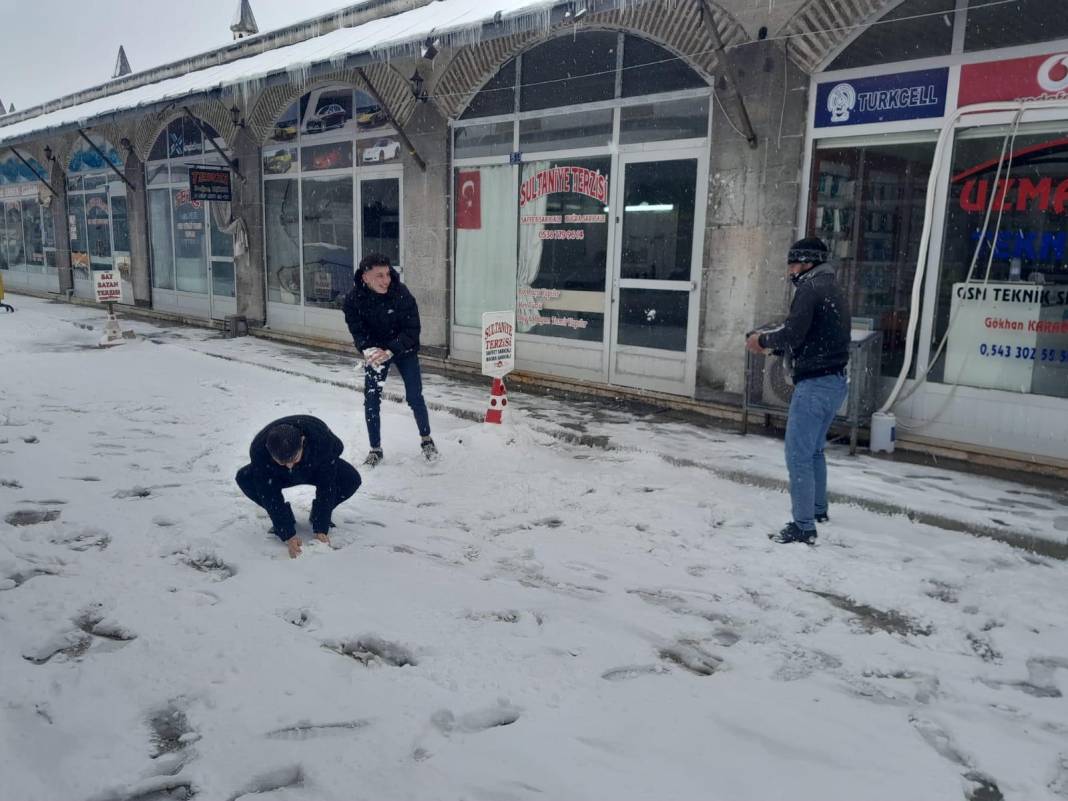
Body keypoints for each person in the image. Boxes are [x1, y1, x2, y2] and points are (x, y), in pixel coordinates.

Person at [745, 237, 850, 545]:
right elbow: (814, 337)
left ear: (806, 262)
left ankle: (803, 527)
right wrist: (776, 348)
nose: (790, 270)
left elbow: (793, 332)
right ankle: (817, 510)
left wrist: (762, 341)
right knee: (814, 449)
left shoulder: (810, 289)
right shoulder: (832, 287)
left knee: (798, 455)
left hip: (814, 385)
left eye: (793, 264)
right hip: (834, 382)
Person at [342, 252, 437, 465]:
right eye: (379, 276)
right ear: (365, 277)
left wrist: (391, 350)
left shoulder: (401, 293)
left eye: (387, 274)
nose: (386, 280)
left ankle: (427, 440)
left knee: (414, 396)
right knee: (371, 398)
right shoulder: (353, 300)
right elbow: (357, 330)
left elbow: (412, 329)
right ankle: (375, 449)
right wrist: (367, 349)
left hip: (404, 350)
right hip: (376, 352)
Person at [235, 415, 361, 558]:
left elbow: (327, 486)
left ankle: (316, 515)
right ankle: (286, 517)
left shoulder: (322, 441)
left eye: (294, 459)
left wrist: (321, 526)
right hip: (277, 474)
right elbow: (269, 494)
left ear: (302, 441)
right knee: (244, 478)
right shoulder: (259, 451)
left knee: (351, 479)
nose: (290, 466)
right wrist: (287, 533)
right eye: (283, 462)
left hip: (314, 466)